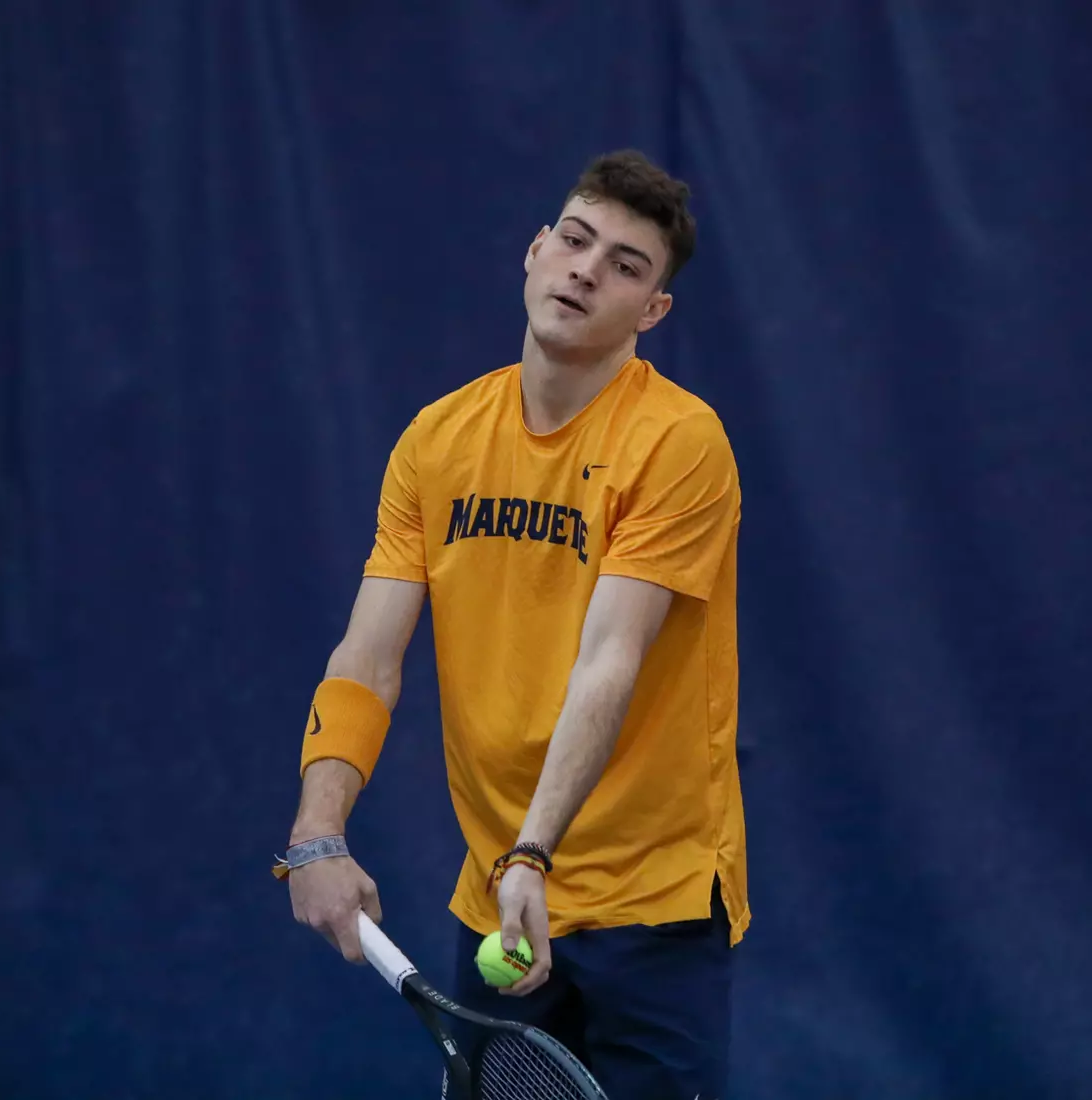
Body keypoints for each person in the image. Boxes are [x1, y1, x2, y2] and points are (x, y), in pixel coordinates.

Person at [281, 149, 747, 1099]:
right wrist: (318, 832)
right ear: (534, 252)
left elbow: (610, 658)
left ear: (652, 312)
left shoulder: (677, 441)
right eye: (574, 241)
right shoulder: (438, 440)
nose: (586, 269)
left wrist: (533, 851)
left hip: (649, 901)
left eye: (625, 264)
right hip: (497, 896)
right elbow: (367, 660)